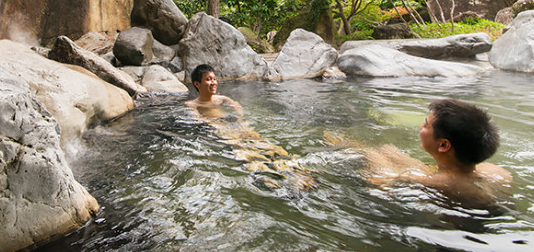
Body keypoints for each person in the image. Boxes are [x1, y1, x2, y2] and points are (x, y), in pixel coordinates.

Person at [328, 98, 512, 205]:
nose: (421, 127)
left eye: (425, 125)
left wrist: (369, 155)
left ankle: (342, 142)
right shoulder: (496, 172)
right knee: (388, 150)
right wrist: (389, 155)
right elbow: (446, 177)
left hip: (450, 240)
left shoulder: (430, 183)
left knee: (375, 154)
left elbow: (377, 181)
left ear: (443, 145)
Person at [185, 64, 314, 189]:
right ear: (197, 84)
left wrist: (239, 119)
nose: (214, 82)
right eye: (208, 79)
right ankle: (276, 180)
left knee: (267, 146)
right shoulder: (192, 104)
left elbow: (237, 106)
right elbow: (197, 119)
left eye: (214, 79)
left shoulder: (221, 98)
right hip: (222, 130)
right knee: (246, 152)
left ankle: (299, 170)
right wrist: (219, 126)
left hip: (236, 126)